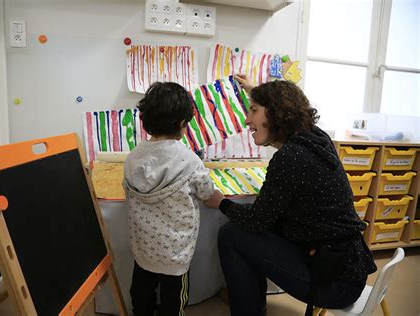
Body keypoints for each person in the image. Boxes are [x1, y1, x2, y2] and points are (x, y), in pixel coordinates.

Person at [205, 75, 377, 316]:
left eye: (253, 110)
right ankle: (246, 299)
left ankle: (247, 308)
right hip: (347, 266)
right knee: (260, 227)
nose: (246, 120)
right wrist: (258, 93)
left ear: (275, 113)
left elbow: (255, 221)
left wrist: (221, 203)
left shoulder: (290, 157)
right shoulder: (317, 139)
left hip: (333, 281)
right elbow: (292, 110)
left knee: (231, 234)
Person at [123, 81, 221, 316]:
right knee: (173, 302)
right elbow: (209, 195)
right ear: (182, 124)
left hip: (143, 249)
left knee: (141, 295)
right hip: (174, 256)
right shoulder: (189, 161)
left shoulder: (133, 157)